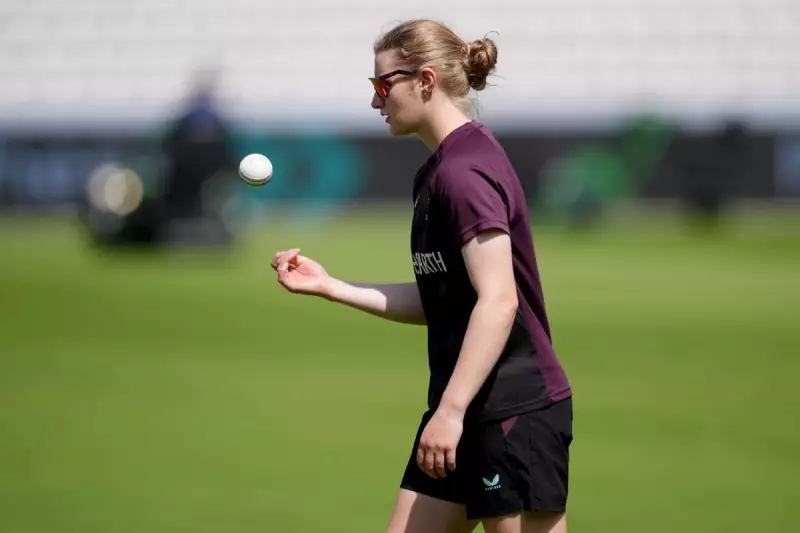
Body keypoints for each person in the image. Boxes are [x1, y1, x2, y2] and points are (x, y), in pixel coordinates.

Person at [271, 19, 574, 533]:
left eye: (382, 84)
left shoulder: (463, 172)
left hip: (511, 411)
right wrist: (331, 286)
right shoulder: (438, 171)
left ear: (426, 81)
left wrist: (450, 412)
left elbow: (499, 301)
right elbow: (445, 301)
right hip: (462, 409)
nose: (376, 101)